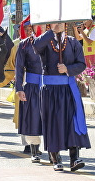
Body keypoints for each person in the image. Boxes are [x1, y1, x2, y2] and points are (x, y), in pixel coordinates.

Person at [33, 23, 90, 172]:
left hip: (68, 89)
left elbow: (81, 64)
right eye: (54, 22)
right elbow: (36, 47)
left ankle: (74, 158)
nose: (58, 25)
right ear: (49, 25)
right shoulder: (45, 41)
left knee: (72, 122)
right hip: (50, 90)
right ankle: (55, 158)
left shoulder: (73, 42)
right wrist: (51, 32)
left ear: (65, 25)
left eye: (60, 23)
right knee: (53, 123)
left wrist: (68, 69)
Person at [15, 18, 44, 163]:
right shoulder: (24, 45)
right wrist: (19, 88)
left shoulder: (55, 43)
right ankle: (34, 150)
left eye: (32, 27)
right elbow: (19, 68)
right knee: (33, 119)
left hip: (51, 86)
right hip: (32, 86)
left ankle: (54, 151)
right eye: (26, 28)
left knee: (52, 119)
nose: (29, 30)